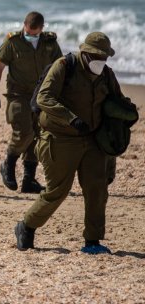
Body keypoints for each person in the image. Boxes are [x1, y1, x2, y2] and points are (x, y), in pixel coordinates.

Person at [15, 32, 129, 255]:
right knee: (58, 190)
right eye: (97, 56)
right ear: (85, 53)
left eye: (105, 57)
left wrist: (127, 112)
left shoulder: (106, 74)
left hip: (93, 139)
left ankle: (92, 241)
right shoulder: (64, 67)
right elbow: (44, 98)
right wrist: (71, 119)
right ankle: (26, 226)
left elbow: (117, 100)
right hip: (61, 138)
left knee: (97, 189)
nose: (101, 60)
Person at [0, 11, 62, 193]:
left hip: (41, 96)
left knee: (37, 136)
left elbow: (60, 68)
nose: (30, 35)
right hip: (18, 95)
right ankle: (8, 164)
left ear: (42, 29)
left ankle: (29, 180)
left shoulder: (50, 43)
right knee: (24, 133)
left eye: (34, 34)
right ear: (24, 24)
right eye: (28, 32)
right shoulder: (12, 42)